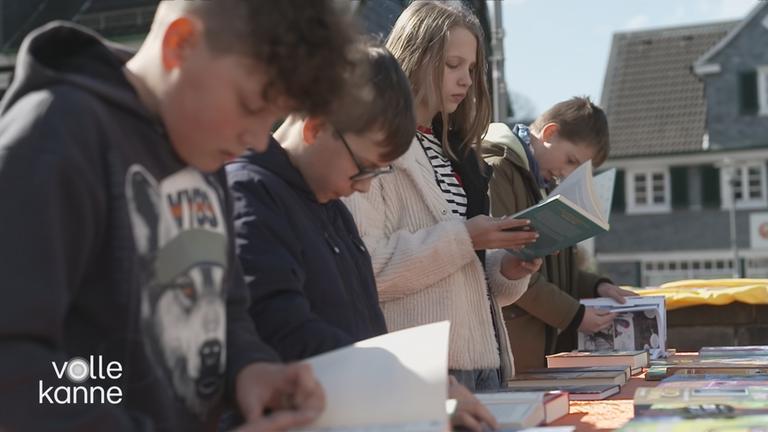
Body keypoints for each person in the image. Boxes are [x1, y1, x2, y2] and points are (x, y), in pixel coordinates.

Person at [0, 1, 357, 430]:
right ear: (180, 44)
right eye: (250, 105)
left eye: (272, 117)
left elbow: (227, 308)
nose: (259, 141)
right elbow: (17, 363)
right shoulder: (56, 136)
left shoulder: (201, 148)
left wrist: (250, 368)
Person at [227, 43, 498, 432]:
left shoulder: (330, 202)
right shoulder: (251, 194)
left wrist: (422, 383)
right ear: (316, 127)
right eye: (364, 168)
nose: (365, 188)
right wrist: (410, 383)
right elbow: (282, 329)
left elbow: (366, 325)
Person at [343, 1, 542, 392]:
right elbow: (367, 269)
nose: (466, 80)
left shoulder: (460, 152)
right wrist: (467, 237)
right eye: (453, 65)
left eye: (470, 68)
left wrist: (507, 268)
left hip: (487, 362)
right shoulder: (372, 144)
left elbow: (466, 276)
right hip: (421, 369)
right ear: (414, 56)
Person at [481, 96, 635, 371]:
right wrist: (574, 315)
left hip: (538, 348)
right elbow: (505, 265)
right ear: (549, 133)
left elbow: (555, 268)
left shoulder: (544, 180)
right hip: (514, 349)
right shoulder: (499, 169)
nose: (567, 174)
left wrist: (597, 286)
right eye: (570, 161)